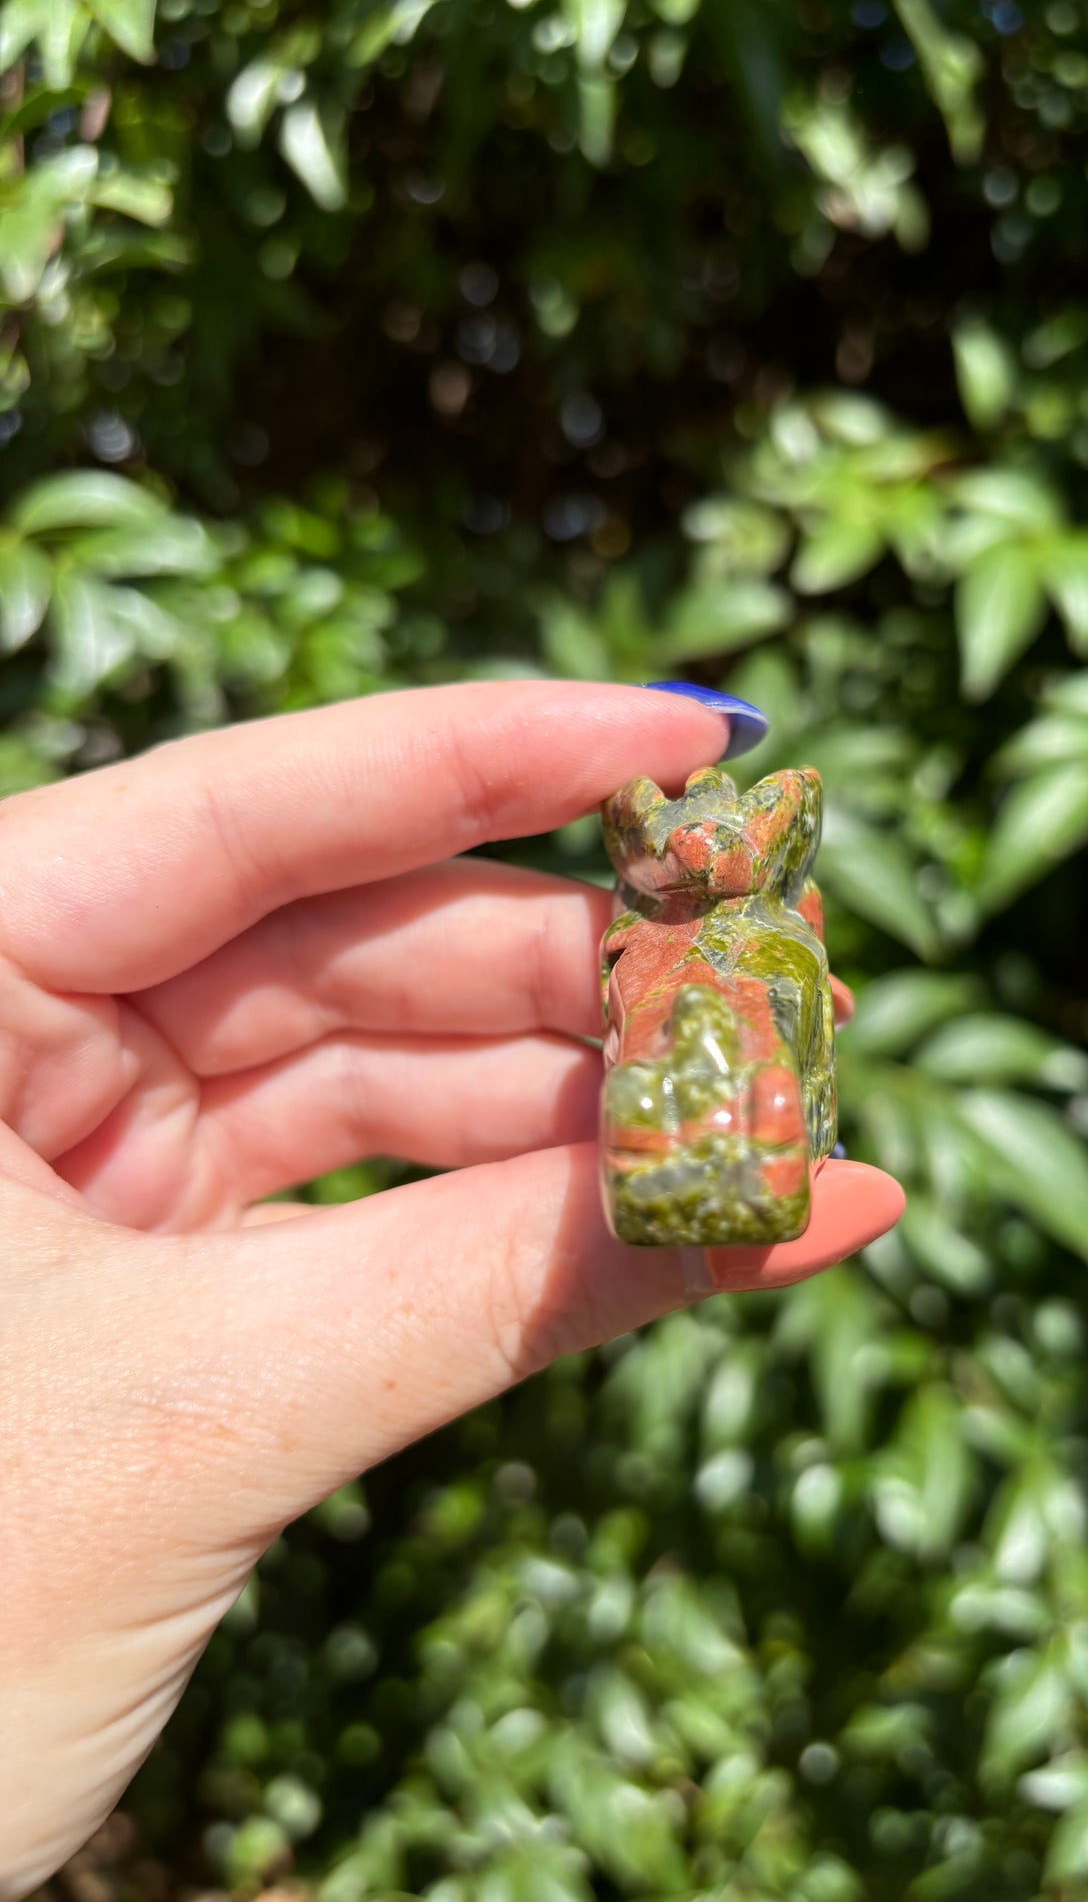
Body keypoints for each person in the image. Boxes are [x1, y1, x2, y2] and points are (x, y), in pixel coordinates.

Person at [0, 680, 904, 1897]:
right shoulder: (640, 945)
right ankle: (703, 1160)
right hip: (691, 1104)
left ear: (783, 838)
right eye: (669, 844)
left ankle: (725, 1148)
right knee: (687, 1078)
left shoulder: (750, 934)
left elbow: (790, 1031)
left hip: (746, 1082)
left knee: (746, 1055)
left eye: (730, 845)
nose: (699, 854)